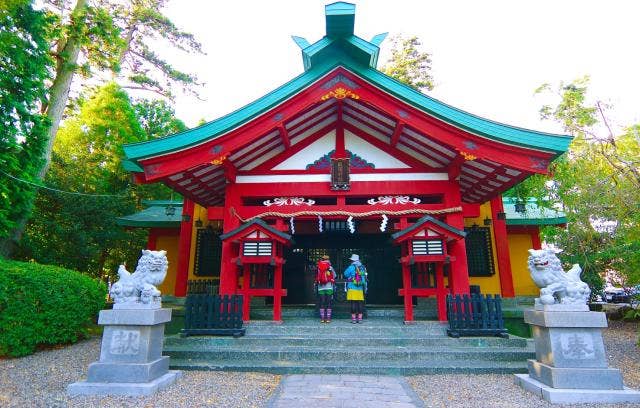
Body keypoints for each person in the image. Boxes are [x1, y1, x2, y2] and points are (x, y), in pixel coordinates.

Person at [343, 253, 367, 324]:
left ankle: (353, 320)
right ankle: (360, 319)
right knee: (360, 303)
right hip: (359, 288)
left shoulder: (351, 267)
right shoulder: (362, 267)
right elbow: (365, 277)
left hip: (352, 287)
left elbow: (345, 274)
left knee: (353, 303)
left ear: (352, 260)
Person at [315, 255, 336, 323]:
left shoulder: (318, 267)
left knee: (322, 302)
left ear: (322, 259)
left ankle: (322, 318)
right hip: (329, 286)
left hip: (321, 287)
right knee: (329, 302)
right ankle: (328, 318)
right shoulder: (330, 267)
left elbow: (317, 276)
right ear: (328, 259)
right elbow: (334, 276)